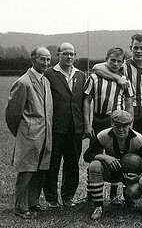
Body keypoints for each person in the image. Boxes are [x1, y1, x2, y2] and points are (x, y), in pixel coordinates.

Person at [5, 47, 53, 218]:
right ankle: (20, 207)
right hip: (29, 136)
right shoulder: (23, 82)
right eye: (42, 59)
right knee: (26, 171)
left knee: (40, 169)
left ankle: (33, 202)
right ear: (33, 60)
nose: (46, 63)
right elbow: (12, 113)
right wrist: (22, 131)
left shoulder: (46, 81)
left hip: (45, 135)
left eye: (48, 59)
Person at [83, 47, 135, 203]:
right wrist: (87, 125)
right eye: (113, 60)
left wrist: (129, 126)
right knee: (94, 157)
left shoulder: (125, 81)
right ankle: (91, 194)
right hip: (99, 120)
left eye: (119, 61)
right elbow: (86, 101)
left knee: (118, 157)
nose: (116, 64)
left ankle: (115, 194)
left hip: (117, 124)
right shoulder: (94, 78)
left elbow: (129, 104)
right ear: (106, 59)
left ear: (122, 63)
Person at [93, 34, 142, 147]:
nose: (138, 51)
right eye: (135, 48)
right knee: (129, 144)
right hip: (130, 108)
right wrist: (117, 78)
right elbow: (96, 67)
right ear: (130, 48)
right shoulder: (123, 64)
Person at [43, 42, 86, 208]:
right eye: (65, 53)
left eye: (72, 54)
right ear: (58, 55)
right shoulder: (49, 74)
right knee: (52, 164)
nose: (69, 57)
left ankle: (68, 197)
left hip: (75, 127)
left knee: (72, 164)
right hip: (55, 127)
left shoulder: (81, 75)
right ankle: (52, 199)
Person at [83, 110, 142, 220]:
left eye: (124, 126)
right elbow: (87, 155)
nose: (121, 130)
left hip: (129, 175)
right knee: (94, 165)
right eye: (117, 126)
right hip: (111, 170)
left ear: (130, 125)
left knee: (134, 192)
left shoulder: (138, 139)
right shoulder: (103, 135)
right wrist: (105, 157)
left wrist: (138, 176)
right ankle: (98, 206)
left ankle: (128, 195)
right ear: (112, 124)